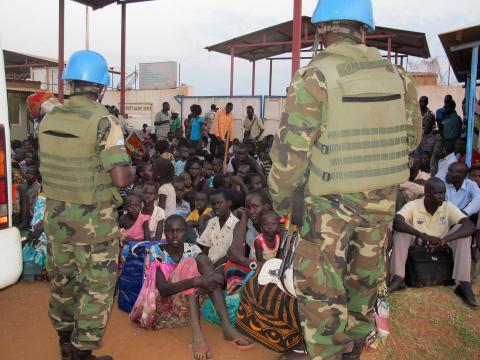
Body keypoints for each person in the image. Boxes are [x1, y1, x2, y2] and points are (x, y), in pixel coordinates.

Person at [267, 1, 422, 358]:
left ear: (324, 28)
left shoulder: (315, 76)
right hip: (381, 203)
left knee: (323, 292)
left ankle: (327, 352)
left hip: (328, 206)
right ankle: (353, 348)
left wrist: (281, 201)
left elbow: (290, 155)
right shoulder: (398, 76)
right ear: (363, 27)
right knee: (363, 284)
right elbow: (412, 139)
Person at [39, 50, 132, 360]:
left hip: (55, 219)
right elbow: (119, 178)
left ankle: (64, 345)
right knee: (96, 289)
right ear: (101, 86)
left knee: (63, 282)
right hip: (94, 225)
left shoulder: (50, 117)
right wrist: (130, 165)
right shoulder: (104, 120)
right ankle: (81, 354)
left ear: (72, 82)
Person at [150, 215, 253, 360]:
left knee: (202, 260)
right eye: (169, 231)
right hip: (171, 295)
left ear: (186, 231)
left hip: (194, 293)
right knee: (189, 265)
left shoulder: (193, 248)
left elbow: (208, 272)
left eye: (179, 231)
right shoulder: (157, 250)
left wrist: (210, 277)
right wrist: (196, 281)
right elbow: (163, 289)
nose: (174, 235)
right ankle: (198, 336)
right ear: (164, 232)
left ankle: (227, 327)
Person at [388, 178, 477, 307]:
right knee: (403, 231)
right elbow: (397, 221)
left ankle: (463, 283)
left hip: (441, 243)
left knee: (463, 233)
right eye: (438, 193)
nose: (442, 197)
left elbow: (470, 226)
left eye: (443, 193)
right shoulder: (413, 205)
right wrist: (423, 235)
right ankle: (398, 278)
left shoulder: (447, 206)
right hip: (418, 242)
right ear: (427, 192)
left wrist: (444, 240)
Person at [197, 189, 239, 267]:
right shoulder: (211, 222)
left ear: (229, 203)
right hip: (209, 265)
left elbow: (231, 254)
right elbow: (206, 247)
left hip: (226, 265)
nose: (216, 207)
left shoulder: (236, 224)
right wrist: (206, 264)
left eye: (219, 203)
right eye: (213, 204)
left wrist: (213, 267)